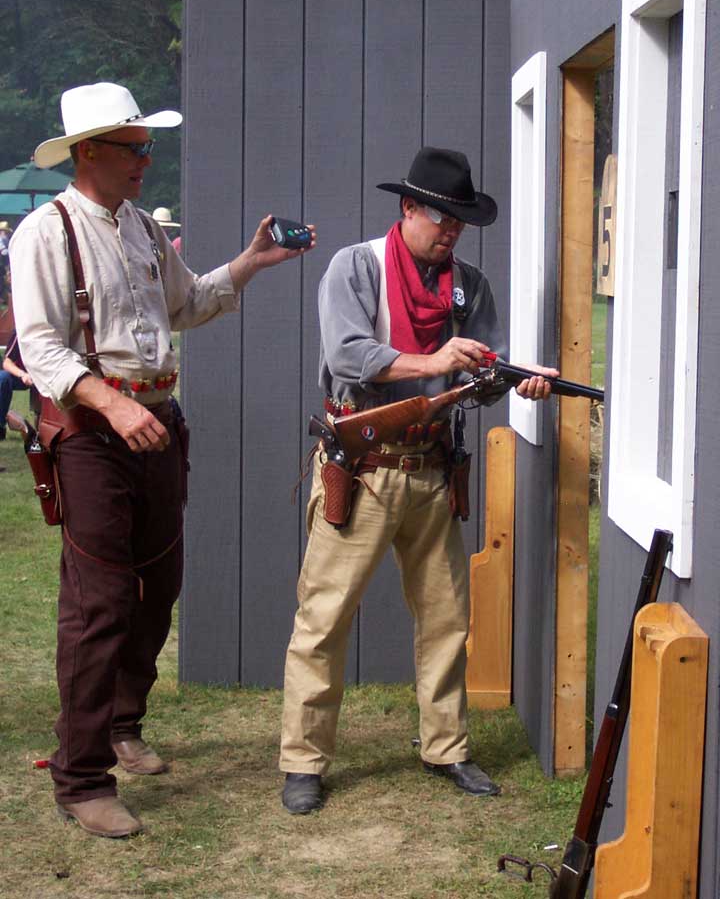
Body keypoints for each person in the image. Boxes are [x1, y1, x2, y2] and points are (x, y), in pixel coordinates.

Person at [9, 81, 315, 839]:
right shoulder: (45, 233)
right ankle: (81, 778)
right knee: (99, 603)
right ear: (88, 154)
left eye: (147, 145)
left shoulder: (144, 228)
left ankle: (121, 724)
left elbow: (186, 305)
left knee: (158, 588)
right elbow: (39, 347)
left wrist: (251, 261)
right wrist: (112, 405)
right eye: (133, 146)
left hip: (157, 426)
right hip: (90, 434)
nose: (147, 158)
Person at [279, 146, 556, 815]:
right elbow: (348, 356)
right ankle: (304, 761)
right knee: (323, 619)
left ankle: (446, 746)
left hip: (432, 470)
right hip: (364, 467)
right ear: (408, 209)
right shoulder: (357, 266)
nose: (451, 231)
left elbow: (477, 384)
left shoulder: (470, 286)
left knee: (446, 619)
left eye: (460, 220)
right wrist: (433, 358)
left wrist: (516, 383)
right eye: (442, 217)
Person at [0, 328, 33, 440]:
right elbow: (7, 363)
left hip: (47, 374)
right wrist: (23, 374)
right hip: (25, 376)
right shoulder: (20, 331)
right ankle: (0, 426)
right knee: (3, 378)